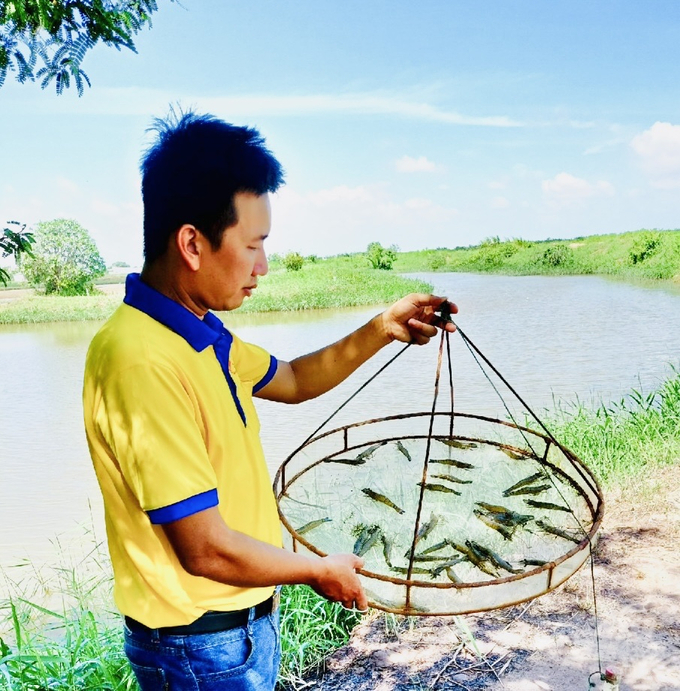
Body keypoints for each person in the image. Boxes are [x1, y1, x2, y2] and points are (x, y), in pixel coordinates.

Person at [82, 111, 456, 691]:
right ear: (191, 243)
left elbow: (295, 379)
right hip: (199, 644)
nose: (263, 266)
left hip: (241, 626)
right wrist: (318, 570)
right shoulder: (140, 359)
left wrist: (383, 327)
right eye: (253, 245)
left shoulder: (199, 330)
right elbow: (204, 549)